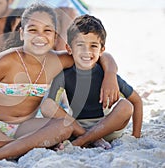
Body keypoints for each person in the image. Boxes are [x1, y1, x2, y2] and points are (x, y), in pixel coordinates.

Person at [0, 3, 120, 162]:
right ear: (22, 33)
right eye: (33, 30)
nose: (40, 36)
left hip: (26, 127)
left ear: (55, 36)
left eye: (47, 30)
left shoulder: (57, 60)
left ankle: (14, 147)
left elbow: (100, 56)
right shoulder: (4, 61)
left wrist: (110, 75)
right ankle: (21, 147)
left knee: (63, 127)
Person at [41, 14, 143, 149]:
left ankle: (82, 141)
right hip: (77, 127)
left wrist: (136, 136)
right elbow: (51, 107)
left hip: (107, 129)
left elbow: (137, 101)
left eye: (93, 46)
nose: (86, 51)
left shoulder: (106, 75)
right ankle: (89, 138)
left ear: (102, 50)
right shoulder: (64, 76)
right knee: (47, 105)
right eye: (80, 45)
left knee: (126, 106)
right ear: (69, 49)